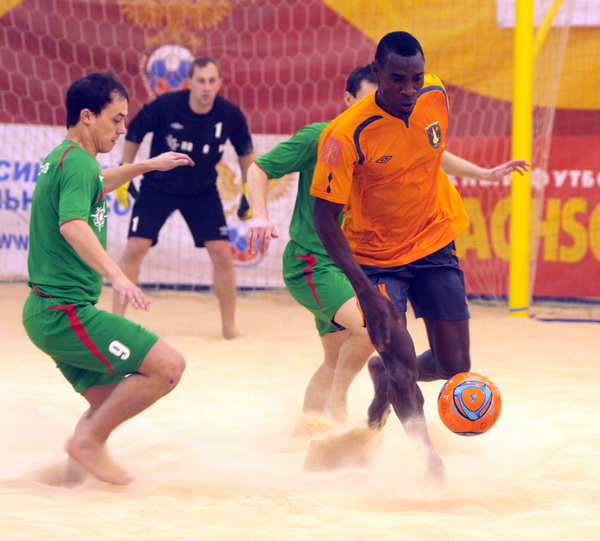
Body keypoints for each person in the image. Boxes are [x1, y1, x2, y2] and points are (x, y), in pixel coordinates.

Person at [310, 31, 529, 482]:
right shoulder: (343, 136)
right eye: (397, 79)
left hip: (433, 241)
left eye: (415, 78)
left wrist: (484, 173)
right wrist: (364, 290)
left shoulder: (435, 94)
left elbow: (431, 150)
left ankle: (381, 373)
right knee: (402, 363)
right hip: (376, 256)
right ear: (377, 73)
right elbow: (324, 219)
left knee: (454, 365)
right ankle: (430, 461)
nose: (409, 89)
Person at [22, 71, 194, 485]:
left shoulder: (65, 158)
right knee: (168, 366)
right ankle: (87, 444)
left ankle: (73, 485)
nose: (121, 129)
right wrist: (118, 276)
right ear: (87, 116)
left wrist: (148, 165)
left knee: (108, 402)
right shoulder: (79, 164)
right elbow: (72, 225)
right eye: (116, 120)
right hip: (63, 311)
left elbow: (100, 182)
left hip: (47, 311)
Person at [246, 65, 378, 428]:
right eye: (365, 103)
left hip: (346, 267)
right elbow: (259, 169)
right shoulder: (321, 137)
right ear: (347, 100)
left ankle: (307, 430)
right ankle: (337, 410)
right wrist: (260, 215)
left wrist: (482, 174)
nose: (372, 113)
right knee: (372, 328)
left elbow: (433, 155)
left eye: (377, 105)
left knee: (335, 361)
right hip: (311, 264)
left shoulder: (379, 146)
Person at [112, 56, 255, 339]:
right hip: (158, 187)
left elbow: (245, 153)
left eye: (212, 81)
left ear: (219, 83)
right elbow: (134, 133)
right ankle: (117, 323)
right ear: (190, 82)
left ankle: (229, 326)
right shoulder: (165, 105)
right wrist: (124, 172)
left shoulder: (230, 114)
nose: (206, 87)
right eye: (201, 81)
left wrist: (249, 191)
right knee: (134, 248)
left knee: (222, 254)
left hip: (202, 191)